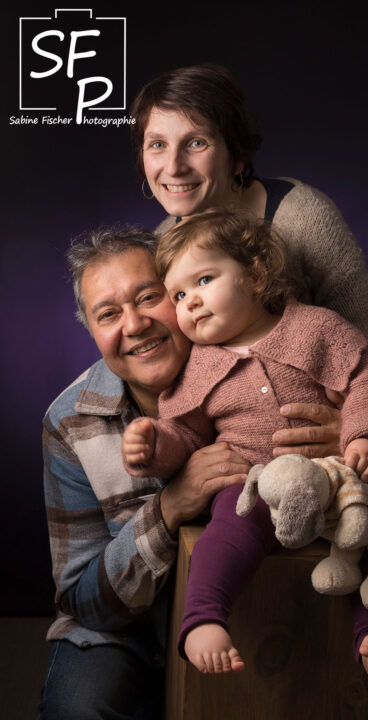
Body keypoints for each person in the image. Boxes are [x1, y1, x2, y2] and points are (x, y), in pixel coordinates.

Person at [122, 208, 368, 686]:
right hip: (254, 487)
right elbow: (187, 434)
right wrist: (156, 444)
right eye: (178, 295)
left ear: (255, 274)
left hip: (334, 478)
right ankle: (205, 617)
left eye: (205, 279)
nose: (190, 302)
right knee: (225, 532)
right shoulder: (197, 365)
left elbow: (367, 382)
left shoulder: (318, 328)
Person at [130, 62, 368, 491]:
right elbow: (170, 371)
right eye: (156, 145)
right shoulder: (163, 246)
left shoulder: (301, 218)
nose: (173, 166)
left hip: (345, 457)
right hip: (242, 476)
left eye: (196, 142)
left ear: (236, 153)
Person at [39, 227, 251, 719]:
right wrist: (171, 508)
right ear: (92, 331)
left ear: (179, 295)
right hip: (121, 631)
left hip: (243, 619)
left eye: (149, 297)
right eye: (108, 313)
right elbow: (82, 601)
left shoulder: (253, 375)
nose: (134, 324)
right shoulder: (69, 421)